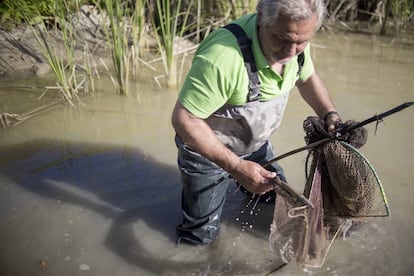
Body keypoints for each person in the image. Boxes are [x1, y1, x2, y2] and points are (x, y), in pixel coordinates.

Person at [171, 0, 342, 245]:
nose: (292, 51)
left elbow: (306, 78)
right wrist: (237, 168)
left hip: (256, 146)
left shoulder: (296, 37)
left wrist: (329, 114)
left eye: (302, 41)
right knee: (201, 234)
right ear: (261, 16)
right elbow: (184, 119)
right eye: (282, 39)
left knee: (278, 202)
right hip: (205, 153)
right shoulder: (222, 59)